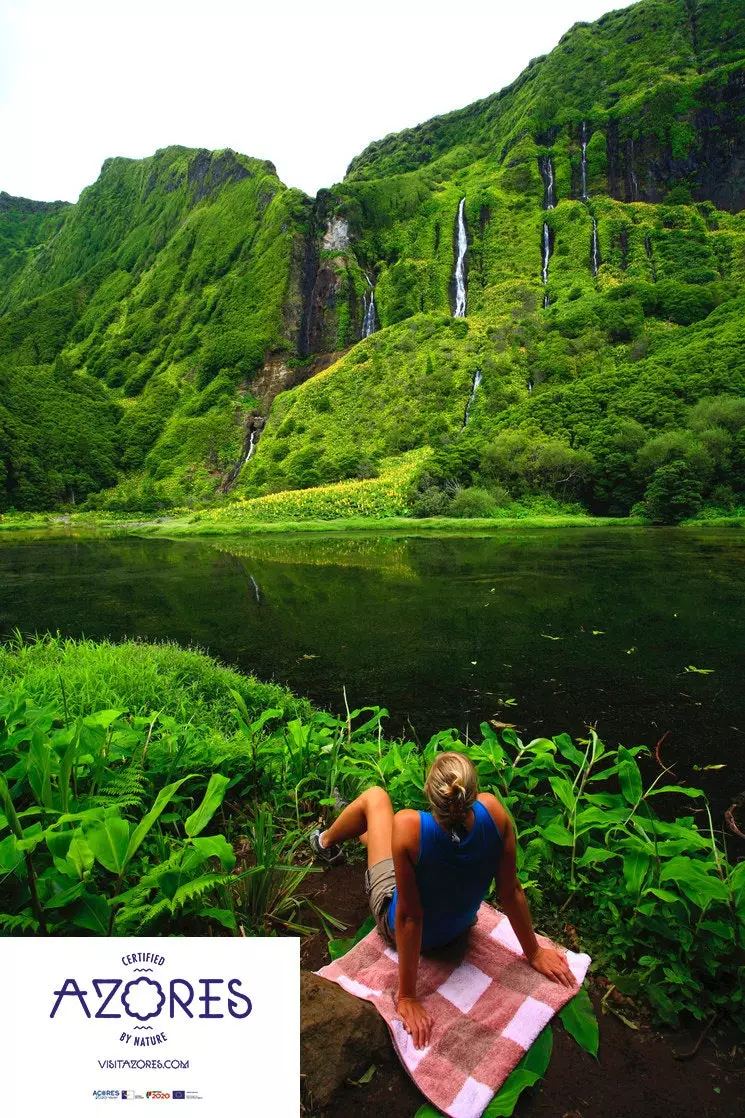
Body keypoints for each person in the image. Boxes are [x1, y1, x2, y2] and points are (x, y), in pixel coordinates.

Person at [310, 751, 574, 1049]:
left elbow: (410, 919)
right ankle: (356, 827)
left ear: (430, 794)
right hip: (457, 927)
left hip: (404, 926)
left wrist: (407, 996)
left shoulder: (410, 827)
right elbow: (511, 891)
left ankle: (323, 841)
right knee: (388, 838)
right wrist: (534, 952)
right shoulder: (495, 814)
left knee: (376, 798)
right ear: (473, 792)